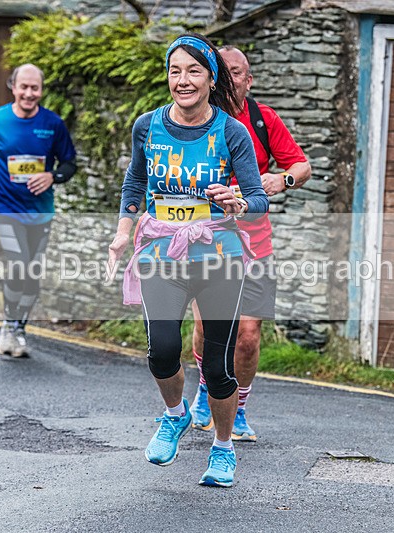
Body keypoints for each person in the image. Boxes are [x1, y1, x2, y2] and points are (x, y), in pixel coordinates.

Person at [107, 34, 268, 488]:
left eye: (194, 71)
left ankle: (222, 448)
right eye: (175, 71)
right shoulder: (148, 126)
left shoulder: (230, 132)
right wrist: (123, 232)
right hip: (161, 252)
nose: (183, 80)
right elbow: (134, 184)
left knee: (217, 368)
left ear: (210, 77)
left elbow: (258, 199)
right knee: (161, 351)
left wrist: (236, 201)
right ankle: (175, 415)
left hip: (219, 256)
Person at [189, 45, 312, 441]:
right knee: (208, 327)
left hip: (255, 243)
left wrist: (284, 179)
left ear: (248, 79)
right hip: (206, 237)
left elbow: (301, 165)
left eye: (237, 72)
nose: (230, 79)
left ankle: (238, 409)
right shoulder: (196, 120)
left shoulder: (263, 120)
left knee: (247, 335)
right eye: (222, 72)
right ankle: (207, 388)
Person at [0, 63, 77, 358]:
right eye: (23, 87)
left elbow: (69, 164)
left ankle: (18, 330)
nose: (29, 93)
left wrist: (53, 175)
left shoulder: (52, 124)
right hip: (6, 211)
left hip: (41, 213)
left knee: (31, 276)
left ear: (41, 90)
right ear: (12, 87)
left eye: (35, 88)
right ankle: (8, 327)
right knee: (18, 267)